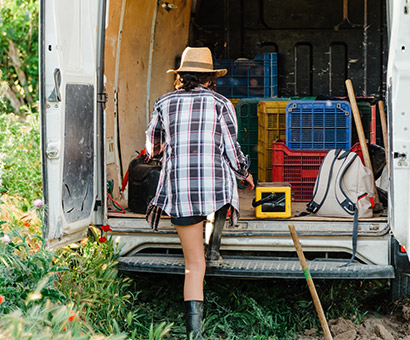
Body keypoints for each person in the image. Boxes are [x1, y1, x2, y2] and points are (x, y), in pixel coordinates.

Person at [145, 46, 254, 340]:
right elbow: (232, 151)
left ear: (181, 76)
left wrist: (165, 152)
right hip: (214, 188)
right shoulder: (221, 104)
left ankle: (195, 335)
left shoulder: (163, 102)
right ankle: (215, 240)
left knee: (193, 266)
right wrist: (245, 174)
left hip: (180, 191)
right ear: (210, 78)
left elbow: (152, 148)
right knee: (225, 188)